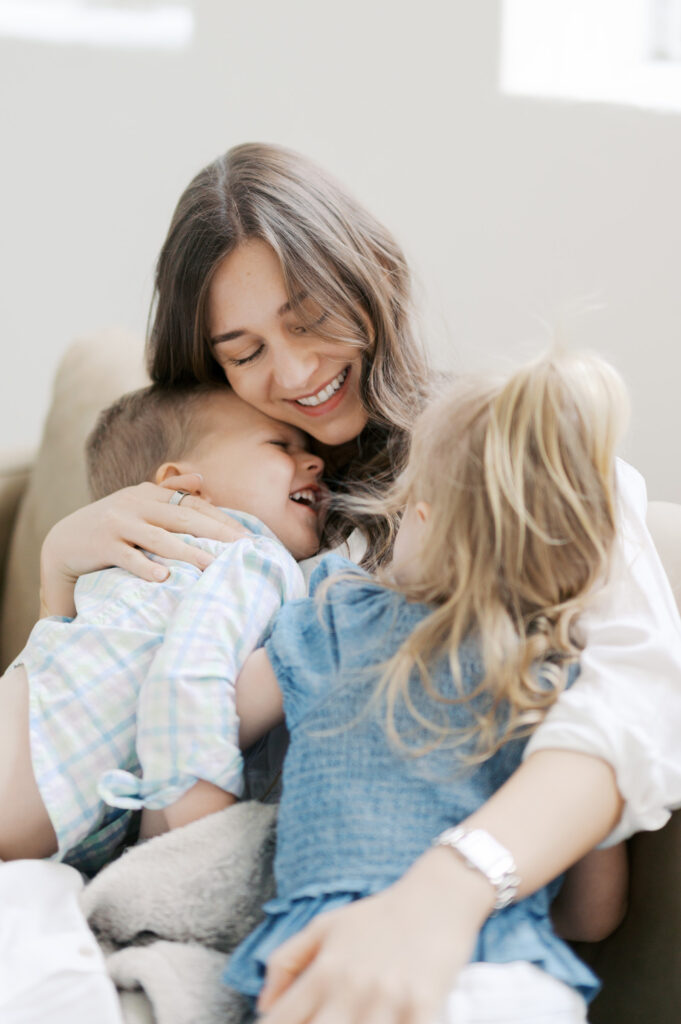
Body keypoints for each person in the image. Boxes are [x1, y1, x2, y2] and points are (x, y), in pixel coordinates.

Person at [37, 143, 681, 1021]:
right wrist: (61, 571)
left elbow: (628, 715)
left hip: (445, 928)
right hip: (207, 926)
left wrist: (441, 899)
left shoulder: (509, 467)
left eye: (309, 319)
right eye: (244, 350)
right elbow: (88, 740)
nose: (296, 373)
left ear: (371, 273)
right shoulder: (217, 488)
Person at [224, 350, 627, 1023]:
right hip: (513, 972)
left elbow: (220, 718)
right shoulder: (562, 679)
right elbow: (592, 916)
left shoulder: (336, 615)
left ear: (422, 518)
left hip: (329, 955)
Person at [0, 382, 324, 872]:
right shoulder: (251, 554)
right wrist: (205, 842)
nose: (316, 462)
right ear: (184, 486)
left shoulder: (133, 575)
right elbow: (187, 686)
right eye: (282, 445)